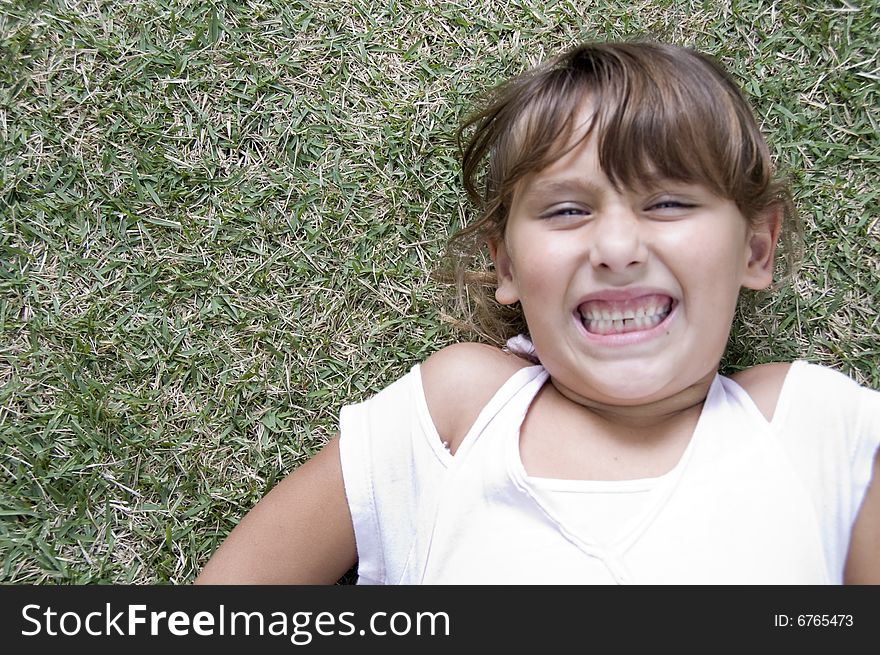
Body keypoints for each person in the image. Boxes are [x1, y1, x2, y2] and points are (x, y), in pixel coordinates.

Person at [195, 41, 880, 585]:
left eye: (668, 202)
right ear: (509, 266)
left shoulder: (814, 426)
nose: (616, 247)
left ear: (756, 247)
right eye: (567, 210)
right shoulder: (456, 416)